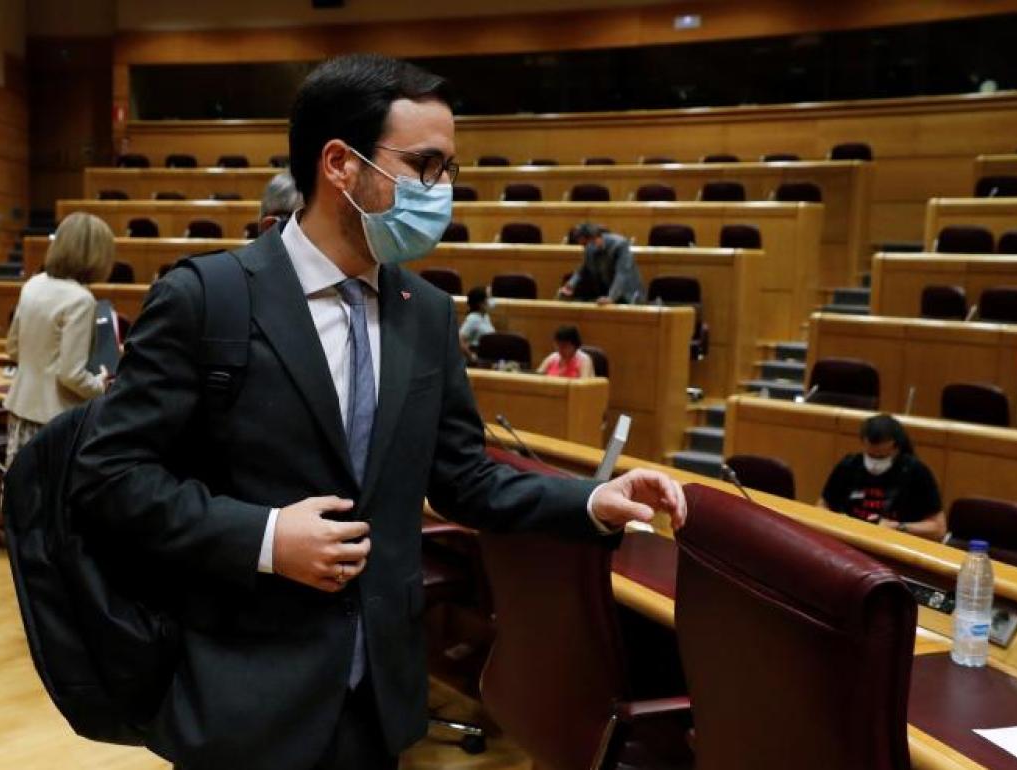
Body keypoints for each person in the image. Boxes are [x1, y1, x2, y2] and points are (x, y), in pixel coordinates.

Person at [71, 54, 686, 770]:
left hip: (378, 691)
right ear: (340, 163)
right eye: (426, 165)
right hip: (241, 687)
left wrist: (592, 501)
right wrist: (266, 536)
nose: (443, 190)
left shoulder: (424, 314)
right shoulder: (207, 298)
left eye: (450, 169)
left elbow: (461, 478)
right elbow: (107, 478)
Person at [2, 212, 114, 467]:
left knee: (20, 495)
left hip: (20, 411)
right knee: (49, 500)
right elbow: (71, 374)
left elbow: (13, 348)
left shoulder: (33, 284)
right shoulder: (80, 299)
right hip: (55, 419)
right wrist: (101, 386)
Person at [818, 414, 945, 541]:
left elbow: (938, 529)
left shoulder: (916, 472)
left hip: (894, 543)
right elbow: (821, 507)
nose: (874, 462)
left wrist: (899, 527)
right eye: (870, 455)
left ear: (896, 449)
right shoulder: (849, 465)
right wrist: (836, 521)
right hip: (850, 539)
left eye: (881, 457)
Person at [557, 222, 645, 305]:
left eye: (587, 243)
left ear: (597, 237)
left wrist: (611, 297)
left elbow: (622, 274)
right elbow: (582, 270)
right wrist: (570, 285)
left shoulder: (620, 245)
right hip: (606, 293)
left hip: (628, 295)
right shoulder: (589, 248)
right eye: (584, 245)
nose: (587, 248)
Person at [458, 285, 494, 357]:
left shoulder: (485, 316)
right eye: (488, 298)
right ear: (481, 304)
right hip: (477, 355)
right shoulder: (473, 319)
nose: (491, 301)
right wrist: (472, 357)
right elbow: (459, 341)